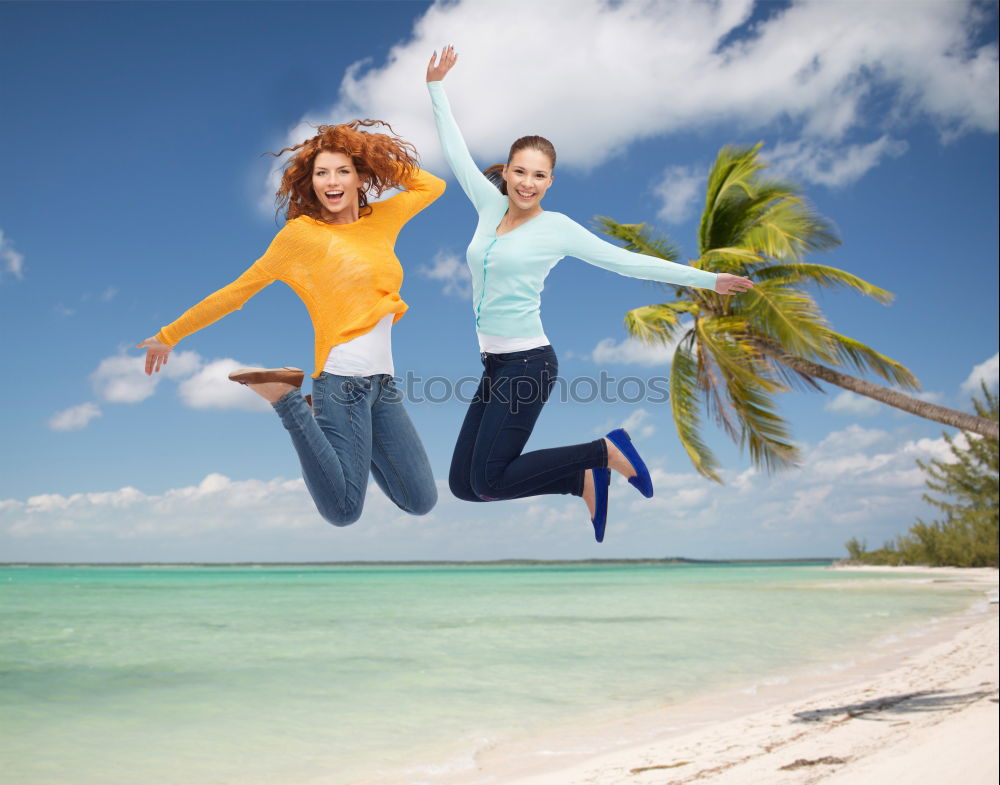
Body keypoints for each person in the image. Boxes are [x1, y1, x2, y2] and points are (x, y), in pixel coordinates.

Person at [425, 46, 753, 542]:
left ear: (550, 181)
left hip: (528, 363)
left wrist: (708, 280)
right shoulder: (487, 206)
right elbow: (454, 149)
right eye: (520, 172)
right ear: (508, 172)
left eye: (539, 175)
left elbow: (625, 261)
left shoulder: (557, 229)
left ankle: (603, 451)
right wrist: (435, 86)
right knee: (466, 487)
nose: (527, 183)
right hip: (494, 366)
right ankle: (579, 480)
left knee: (490, 477)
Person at [137, 119, 445, 526]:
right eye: (321, 173)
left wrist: (371, 154)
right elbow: (238, 291)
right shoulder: (300, 237)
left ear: (359, 177)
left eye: (342, 171)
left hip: (382, 385)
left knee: (420, 500)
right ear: (311, 182)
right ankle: (285, 398)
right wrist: (168, 335)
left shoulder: (382, 220)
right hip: (342, 380)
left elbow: (432, 186)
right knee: (343, 511)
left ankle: (323, 419)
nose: (331, 182)